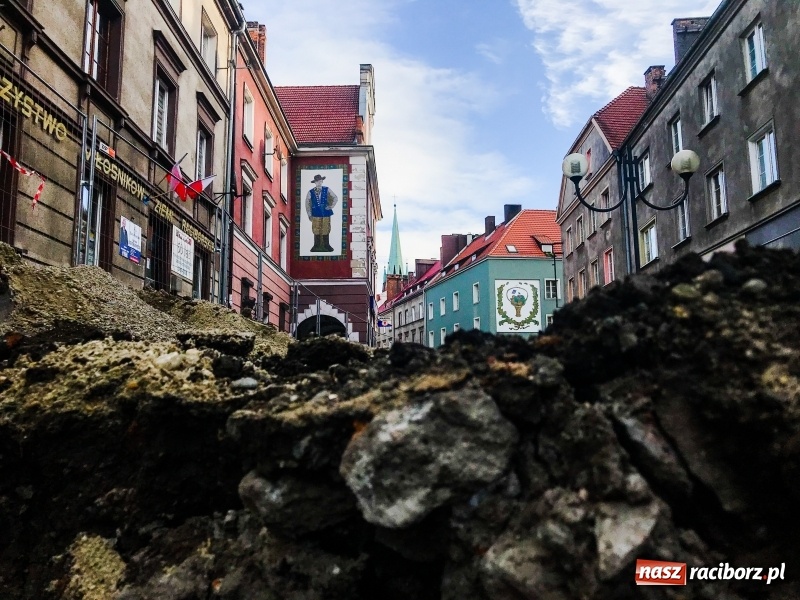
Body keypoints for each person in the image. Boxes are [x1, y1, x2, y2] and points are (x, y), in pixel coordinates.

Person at [305, 174, 338, 252]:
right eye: (317, 181)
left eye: (320, 181)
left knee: (326, 227)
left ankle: (327, 245)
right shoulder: (310, 192)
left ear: (322, 181)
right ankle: (316, 245)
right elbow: (307, 203)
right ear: (315, 182)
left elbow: (335, 197)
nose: (319, 183)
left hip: (326, 212)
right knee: (316, 228)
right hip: (315, 213)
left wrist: (330, 206)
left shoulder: (327, 189)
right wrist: (309, 214)